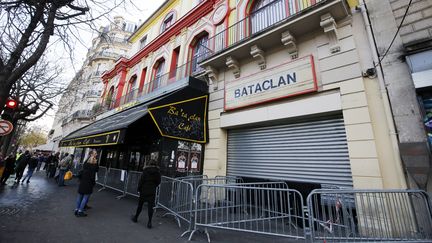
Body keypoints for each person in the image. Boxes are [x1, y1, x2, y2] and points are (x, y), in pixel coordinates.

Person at [131, 160, 161, 228]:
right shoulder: (157, 172)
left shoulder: (145, 171)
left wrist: (139, 189)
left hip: (144, 190)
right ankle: (149, 222)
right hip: (152, 191)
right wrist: (154, 186)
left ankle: (136, 217)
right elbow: (158, 181)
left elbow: (141, 180)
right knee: (150, 208)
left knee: (140, 205)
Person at [75, 150, 99, 217]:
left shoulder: (86, 162)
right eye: (95, 153)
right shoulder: (94, 164)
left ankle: (77, 209)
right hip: (89, 182)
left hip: (83, 181)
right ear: (92, 154)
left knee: (80, 196)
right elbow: (96, 171)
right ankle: (80, 211)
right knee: (85, 197)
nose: (96, 154)